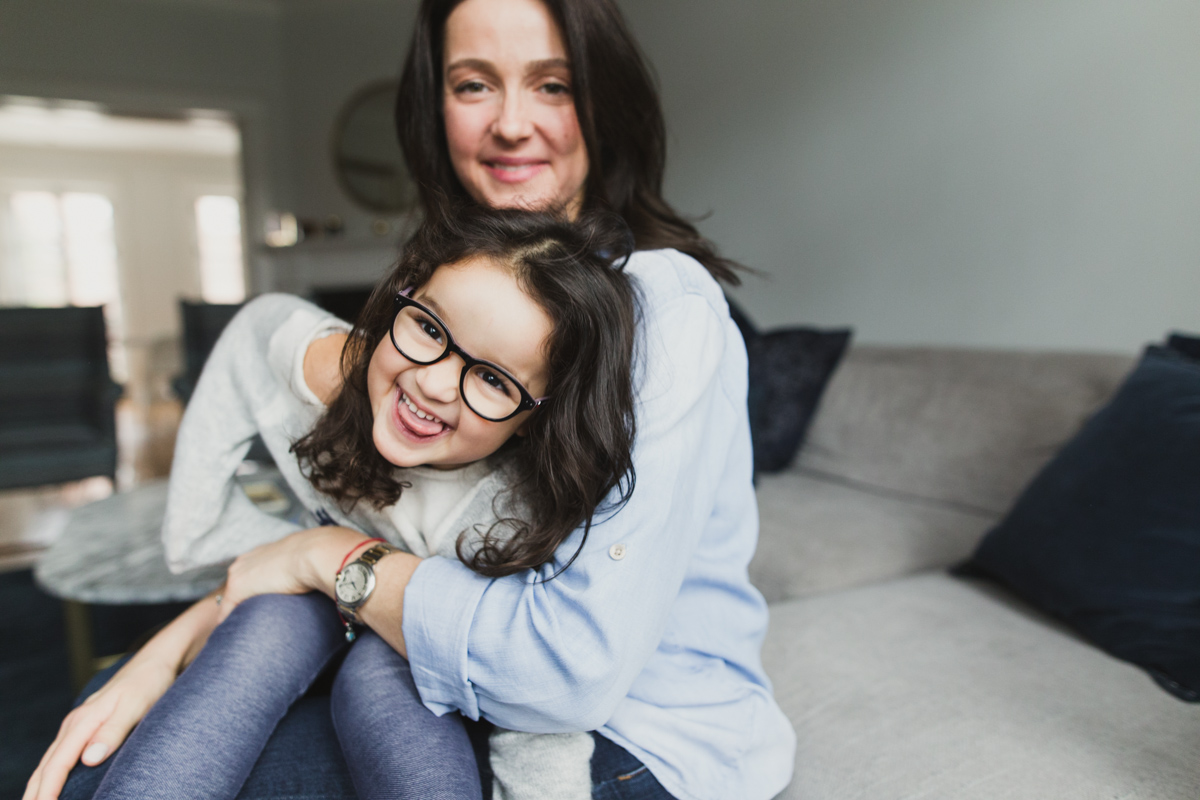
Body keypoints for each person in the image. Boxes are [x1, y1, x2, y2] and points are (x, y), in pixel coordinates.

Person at [26, 0, 797, 798]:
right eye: (472, 85)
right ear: (433, 111)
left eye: (553, 85)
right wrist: (174, 645)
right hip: (450, 680)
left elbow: (565, 676)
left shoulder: (658, 305)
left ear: (607, 103)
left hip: (627, 735)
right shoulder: (455, 289)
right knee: (108, 728)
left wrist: (323, 560)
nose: (509, 123)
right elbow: (374, 514)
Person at [80, 206, 639, 800]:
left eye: (495, 381)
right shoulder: (310, 369)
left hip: (415, 641)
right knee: (264, 624)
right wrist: (287, 561)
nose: (435, 383)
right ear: (399, 297)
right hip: (304, 600)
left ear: (534, 418)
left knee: (383, 679)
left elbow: (537, 709)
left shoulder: (504, 513)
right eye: (428, 327)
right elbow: (196, 536)